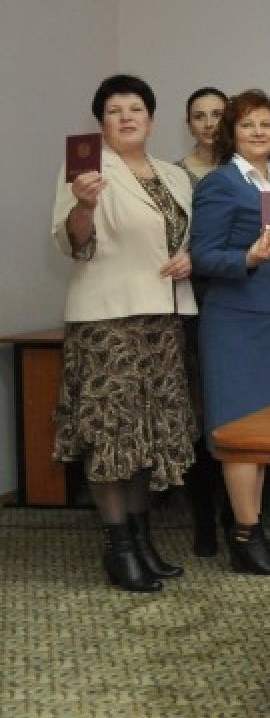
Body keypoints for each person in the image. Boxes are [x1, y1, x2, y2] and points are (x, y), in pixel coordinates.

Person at [52, 75, 197, 593]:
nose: (127, 117)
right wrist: (85, 205)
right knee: (112, 435)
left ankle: (142, 540)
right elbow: (74, 243)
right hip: (107, 323)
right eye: (115, 110)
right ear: (102, 123)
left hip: (162, 321)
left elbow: (181, 237)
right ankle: (118, 548)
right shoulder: (86, 170)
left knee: (146, 436)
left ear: (152, 120)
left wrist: (188, 258)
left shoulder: (173, 175)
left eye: (136, 108)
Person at [191, 90, 270, 575]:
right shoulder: (221, 183)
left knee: (259, 433)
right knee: (238, 431)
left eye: (266, 124)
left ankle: (249, 528)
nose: (259, 132)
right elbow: (202, 255)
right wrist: (247, 258)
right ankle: (245, 535)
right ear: (230, 133)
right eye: (247, 124)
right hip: (236, 323)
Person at [176, 85, 227, 556]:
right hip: (194, 303)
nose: (209, 123)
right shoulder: (174, 175)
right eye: (200, 115)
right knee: (200, 410)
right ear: (188, 124)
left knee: (233, 409)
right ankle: (204, 521)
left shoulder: (250, 171)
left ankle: (238, 516)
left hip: (239, 298)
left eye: (217, 114)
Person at [178, 87, 226, 183]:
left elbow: (265, 197)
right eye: (199, 117)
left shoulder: (249, 165)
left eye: (217, 115)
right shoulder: (174, 173)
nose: (209, 124)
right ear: (189, 126)